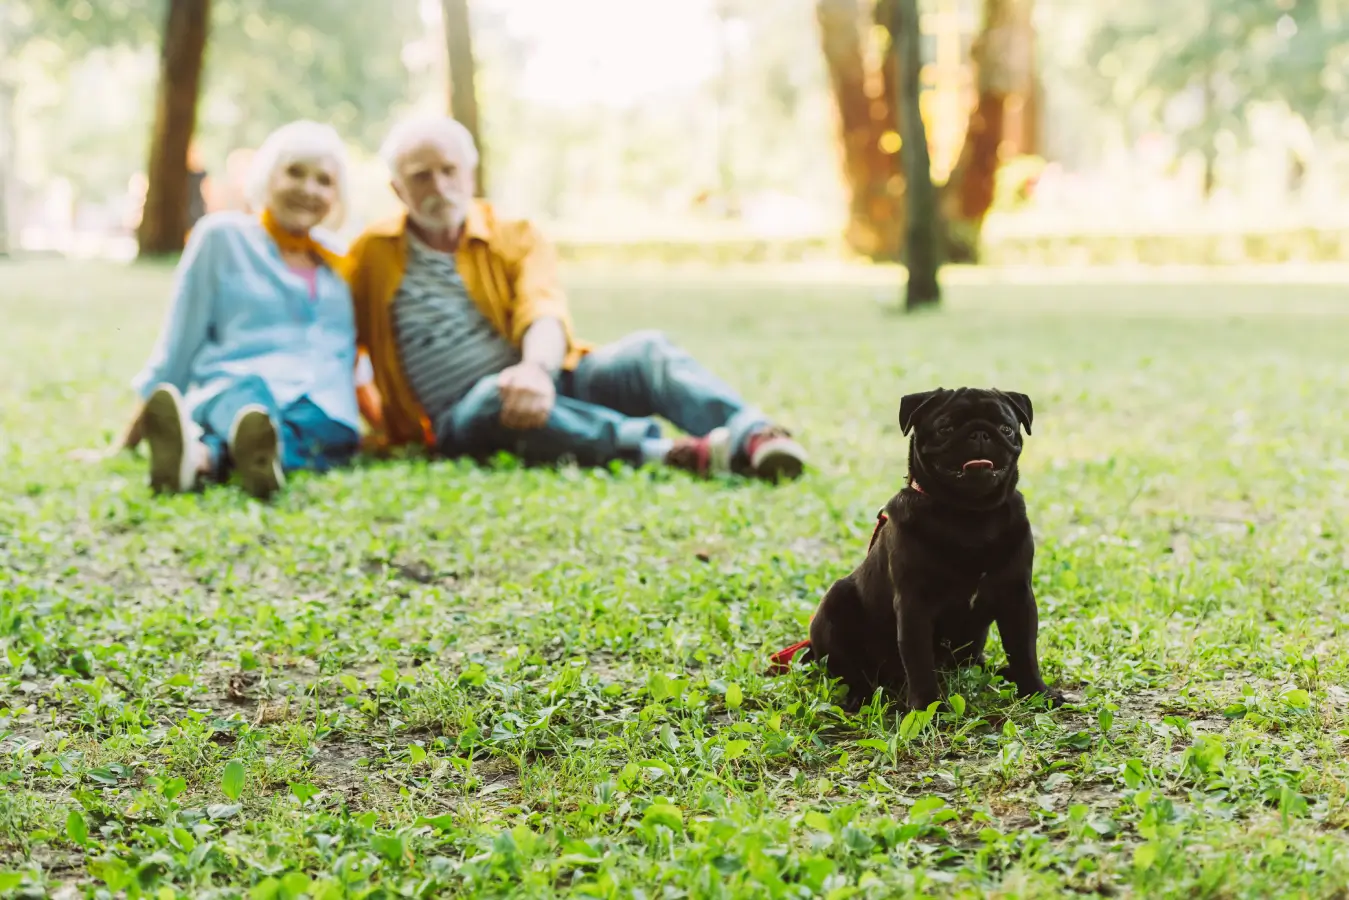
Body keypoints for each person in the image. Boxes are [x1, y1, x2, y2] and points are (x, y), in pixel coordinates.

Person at [345, 115, 807, 480]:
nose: (440, 187)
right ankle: (666, 452)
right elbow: (329, 332)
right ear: (397, 189)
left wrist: (535, 370)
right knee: (494, 395)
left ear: (470, 174)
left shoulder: (515, 234)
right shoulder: (371, 254)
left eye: (449, 171)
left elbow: (541, 309)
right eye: (421, 177)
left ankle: (755, 435)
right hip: (458, 420)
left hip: (545, 375)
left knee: (647, 352)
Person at [101, 120, 363, 499]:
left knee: (318, 428)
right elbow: (178, 347)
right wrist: (124, 443)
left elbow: (351, 361)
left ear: (337, 195)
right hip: (237, 390)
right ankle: (244, 457)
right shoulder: (222, 238)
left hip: (322, 409)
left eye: (324, 180)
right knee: (250, 410)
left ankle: (202, 458)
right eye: (294, 172)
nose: (308, 189)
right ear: (267, 177)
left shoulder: (342, 263)